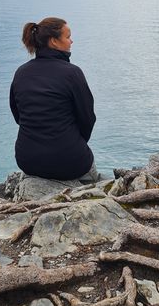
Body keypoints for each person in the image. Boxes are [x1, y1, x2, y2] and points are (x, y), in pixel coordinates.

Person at [10, 16, 99, 182]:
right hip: (70, 163)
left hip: (28, 161)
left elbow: (18, 116)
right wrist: (73, 144)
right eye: (67, 37)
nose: (71, 41)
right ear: (54, 42)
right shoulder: (72, 73)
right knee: (92, 178)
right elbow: (87, 118)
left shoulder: (21, 72)